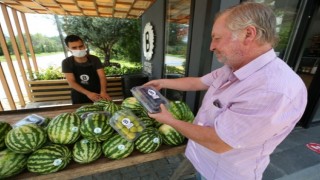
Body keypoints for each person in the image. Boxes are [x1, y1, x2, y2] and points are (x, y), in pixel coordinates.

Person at [146, 2, 308, 180]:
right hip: (202, 160)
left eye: (217, 38)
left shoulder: (272, 90)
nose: (211, 46)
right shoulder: (233, 68)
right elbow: (197, 83)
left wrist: (170, 120)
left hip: (224, 175)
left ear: (248, 34)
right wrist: (162, 83)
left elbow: (220, 142)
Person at [62, 35, 111, 104]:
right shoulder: (66, 62)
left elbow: (102, 77)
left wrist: (103, 92)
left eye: (80, 46)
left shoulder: (95, 59)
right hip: (79, 96)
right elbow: (71, 82)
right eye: (74, 47)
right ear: (68, 49)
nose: (78, 49)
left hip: (98, 94)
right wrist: (88, 93)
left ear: (84, 46)